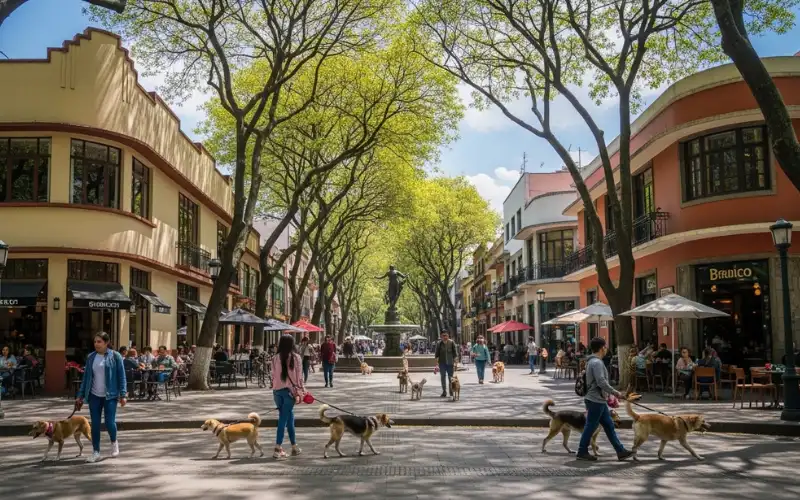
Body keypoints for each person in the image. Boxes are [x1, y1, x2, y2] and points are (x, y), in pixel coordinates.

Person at [577, 337, 634, 462]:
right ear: (602, 348)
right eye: (605, 346)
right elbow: (601, 382)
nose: (606, 348)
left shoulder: (592, 361)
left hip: (598, 400)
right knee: (590, 426)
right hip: (595, 400)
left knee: (609, 426)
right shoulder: (596, 363)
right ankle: (582, 451)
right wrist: (616, 393)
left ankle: (620, 451)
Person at [76, 332, 127, 463]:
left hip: (110, 395)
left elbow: (121, 376)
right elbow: (86, 378)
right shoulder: (91, 357)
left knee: (110, 422)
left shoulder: (115, 356)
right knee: (95, 424)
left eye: (99, 342)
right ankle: (96, 451)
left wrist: (123, 394)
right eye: (95, 342)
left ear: (106, 343)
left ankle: (114, 442)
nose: (96, 344)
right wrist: (80, 396)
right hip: (94, 395)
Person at [271, 335, 304, 459]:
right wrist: (301, 391)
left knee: (289, 417)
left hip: (277, 392)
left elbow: (273, 375)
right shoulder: (296, 358)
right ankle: (277, 447)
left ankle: (294, 446)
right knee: (283, 419)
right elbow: (299, 377)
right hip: (290, 392)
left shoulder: (274, 358)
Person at [435, 331, 458, 398]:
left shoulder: (452, 343)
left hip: (450, 363)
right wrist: (436, 364)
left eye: (446, 335)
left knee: (451, 378)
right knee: (443, 377)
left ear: (448, 336)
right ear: (441, 337)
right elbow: (436, 355)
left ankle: (451, 391)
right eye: (443, 336)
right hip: (442, 363)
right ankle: (444, 392)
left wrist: (456, 363)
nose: (445, 337)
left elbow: (455, 354)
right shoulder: (439, 344)